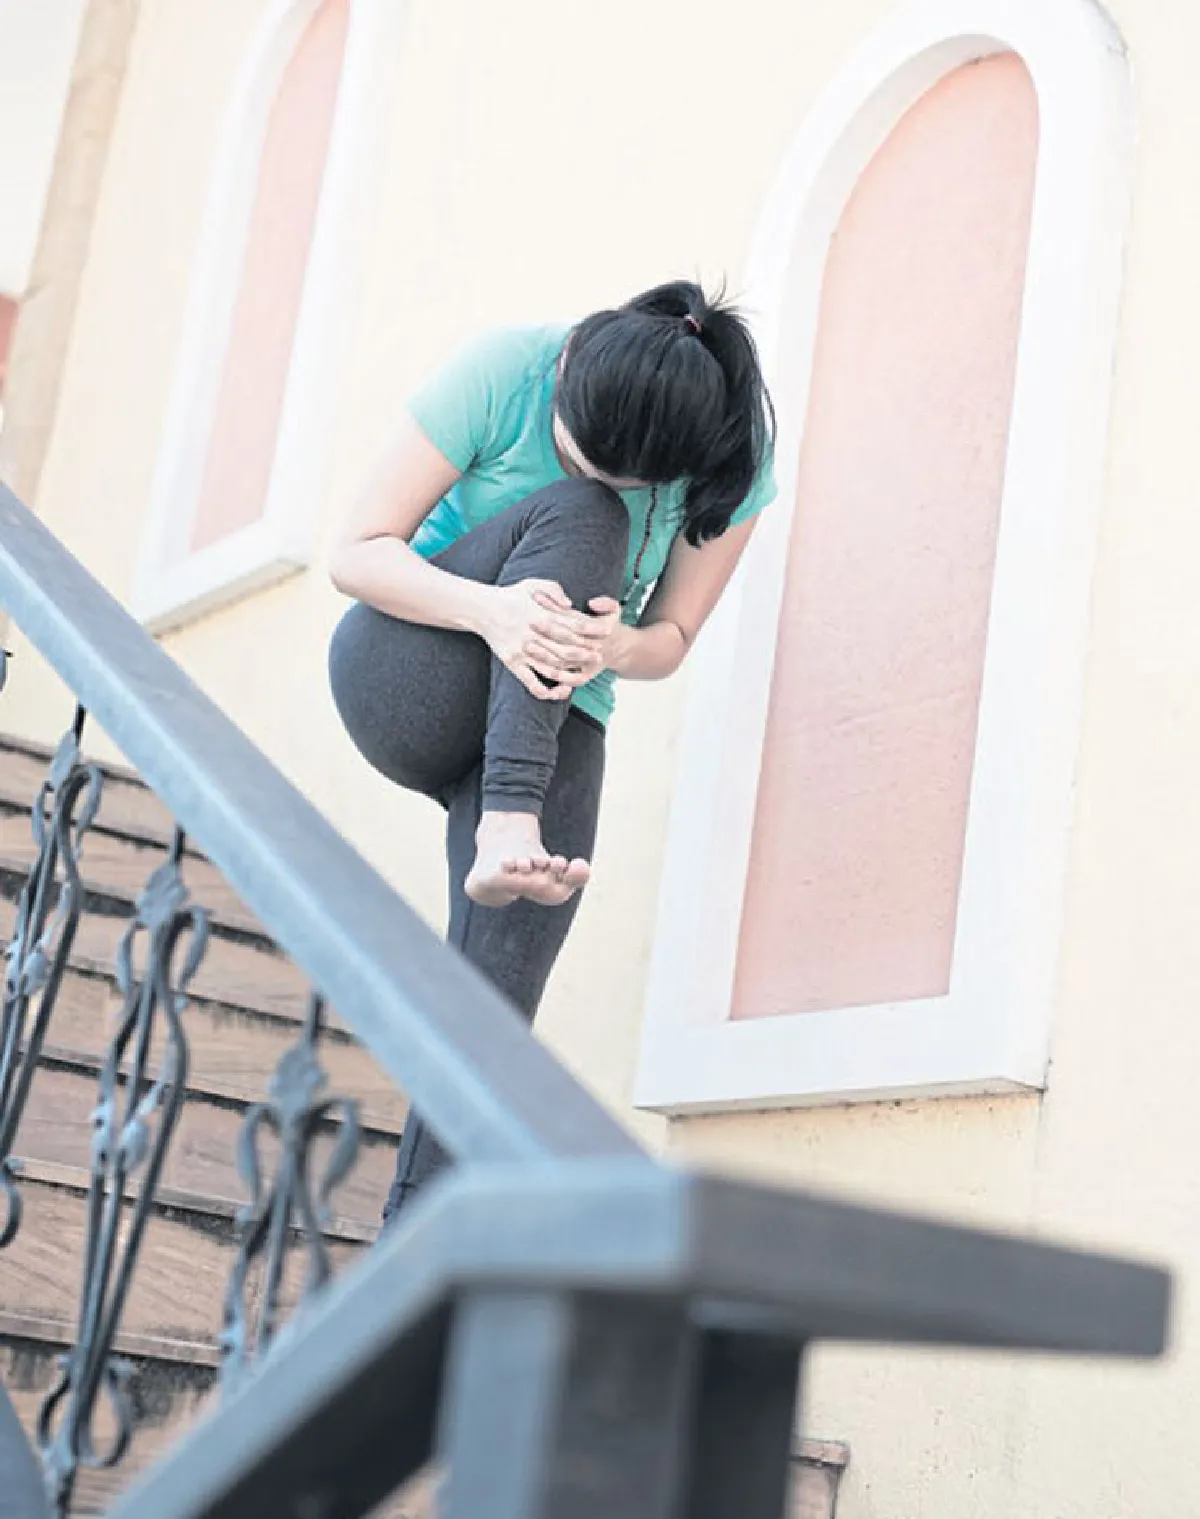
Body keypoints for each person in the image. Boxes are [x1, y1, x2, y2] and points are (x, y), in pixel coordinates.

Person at [327, 279, 776, 1222]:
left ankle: (415, 1266)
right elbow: (357, 552)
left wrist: (610, 645)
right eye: (577, 451)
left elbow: (673, 639)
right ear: (569, 368)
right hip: (411, 667)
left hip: (555, 711)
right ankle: (507, 815)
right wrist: (495, 611)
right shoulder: (507, 368)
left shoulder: (735, 462)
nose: (608, 479)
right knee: (585, 518)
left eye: (637, 481)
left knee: (494, 1010)